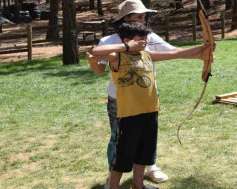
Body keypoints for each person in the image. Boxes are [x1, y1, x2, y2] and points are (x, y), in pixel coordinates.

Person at [91, 22, 212, 189]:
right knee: (123, 154)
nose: (144, 43)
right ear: (127, 40)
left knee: (144, 151)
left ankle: (138, 185)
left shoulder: (147, 55)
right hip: (129, 114)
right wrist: (127, 46)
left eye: (145, 40)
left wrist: (204, 47)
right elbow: (96, 52)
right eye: (140, 40)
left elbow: (176, 53)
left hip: (150, 111)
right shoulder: (117, 57)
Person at [87, 0, 178, 186]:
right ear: (126, 19)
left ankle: (150, 168)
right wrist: (127, 47)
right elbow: (98, 68)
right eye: (139, 17)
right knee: (119, 139)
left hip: (146, 99)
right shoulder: (109, 41)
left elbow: (172, 51)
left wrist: (202, 52)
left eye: (145, 17)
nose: (143, 21)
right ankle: (113, 176)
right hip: (119, 100)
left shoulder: (148, 36)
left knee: (147, 138)